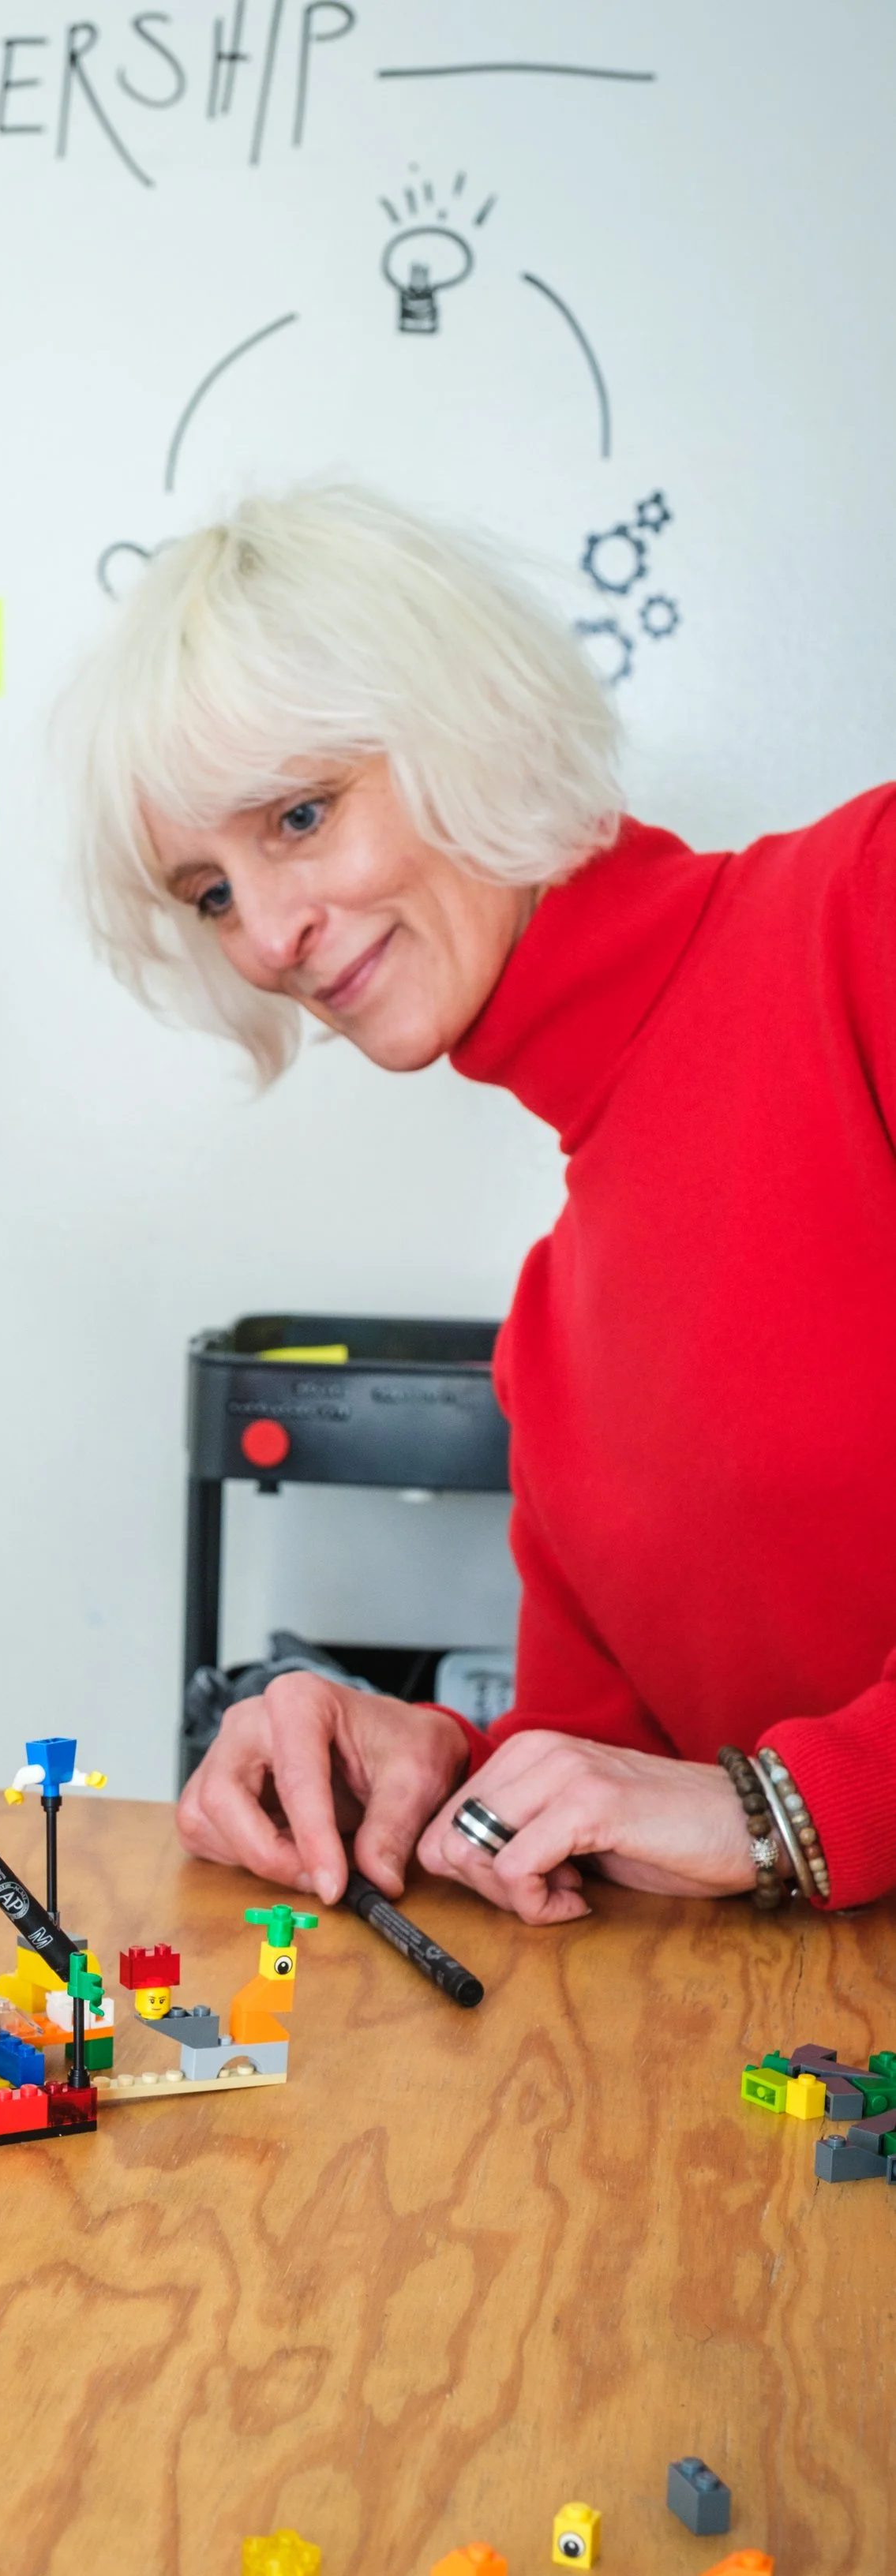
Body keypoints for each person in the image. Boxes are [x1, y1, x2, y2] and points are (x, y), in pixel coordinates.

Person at [69, 483, 896, 1926]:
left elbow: (740, 1812)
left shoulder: (865, 916)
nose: (266, 938)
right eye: (209, 891)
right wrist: (432, 1763)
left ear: (465, 723)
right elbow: (627, 1807)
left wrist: (793, 1804)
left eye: (302, 814)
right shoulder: (551, 1340)